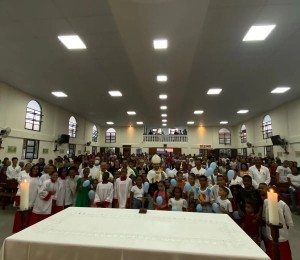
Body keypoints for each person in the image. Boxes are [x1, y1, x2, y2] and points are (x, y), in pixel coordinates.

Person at [263, 187, 294, 260]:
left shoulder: (283, 205)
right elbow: (265, 216)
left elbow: (288, 221)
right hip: (270, 232)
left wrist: (284, 229)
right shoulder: (266, 202)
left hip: (281, 234)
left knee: (282, 254)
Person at [12, 165, 40, 232]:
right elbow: (20, 188)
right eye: (34, 169)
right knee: (22, 216)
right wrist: (18, 198)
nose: (35, 170)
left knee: (29, 216)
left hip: (33, 199)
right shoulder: (26, 177)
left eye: (37, 169)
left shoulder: (38, 178)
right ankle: (20, 229)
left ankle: (26, 229)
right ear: (31, 169)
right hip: (24, 198)